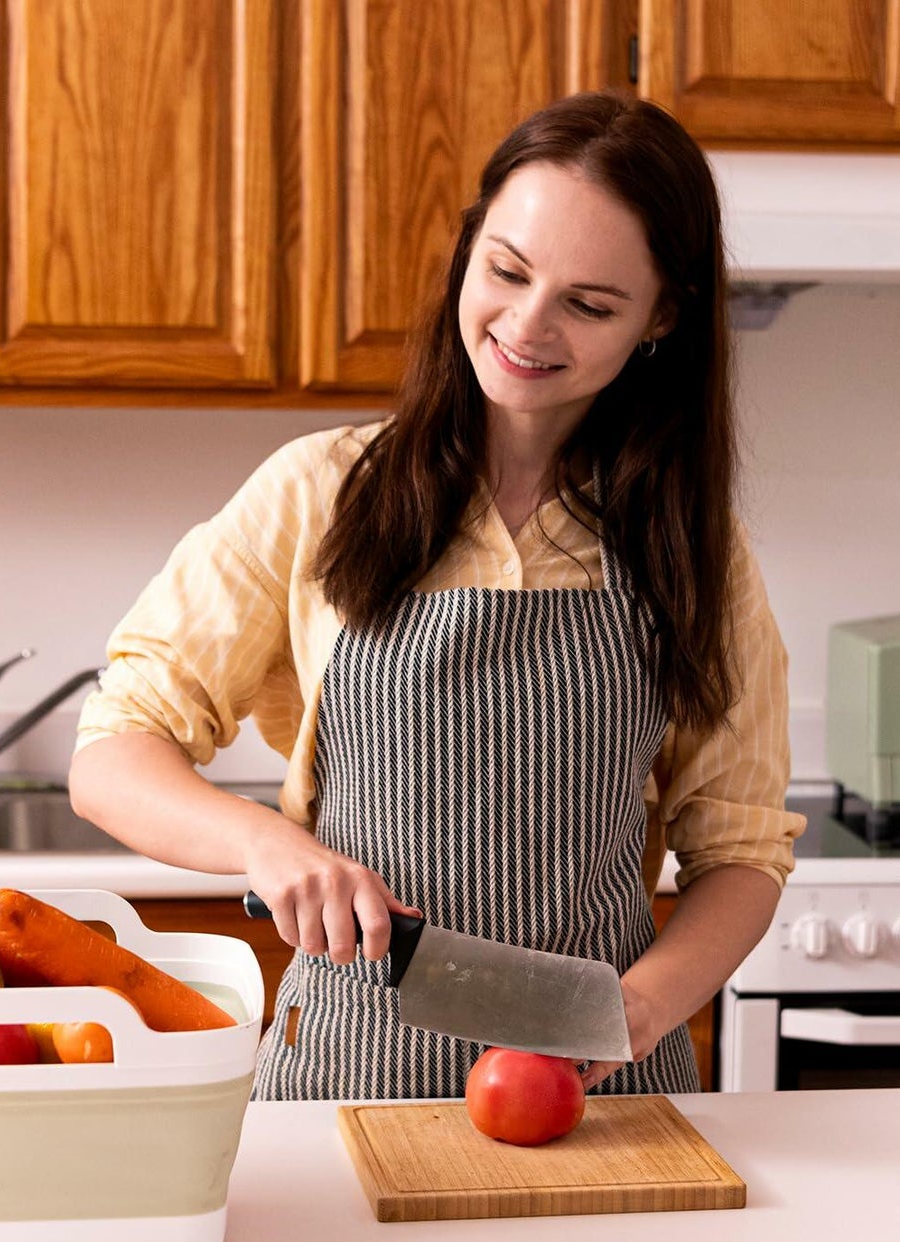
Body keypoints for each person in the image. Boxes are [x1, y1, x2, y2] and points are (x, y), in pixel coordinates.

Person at [68, 90, 805, 1100]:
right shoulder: (317, 491)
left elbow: (739, 846)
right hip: (343, 1077)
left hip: (595, 1091)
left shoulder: (693, 549)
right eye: (505, 270)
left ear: (659, 317)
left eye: (588, 304)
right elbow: (112, 753)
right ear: (467, 251)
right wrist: (266, 845)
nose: (525, 325)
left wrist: (643, 1003)